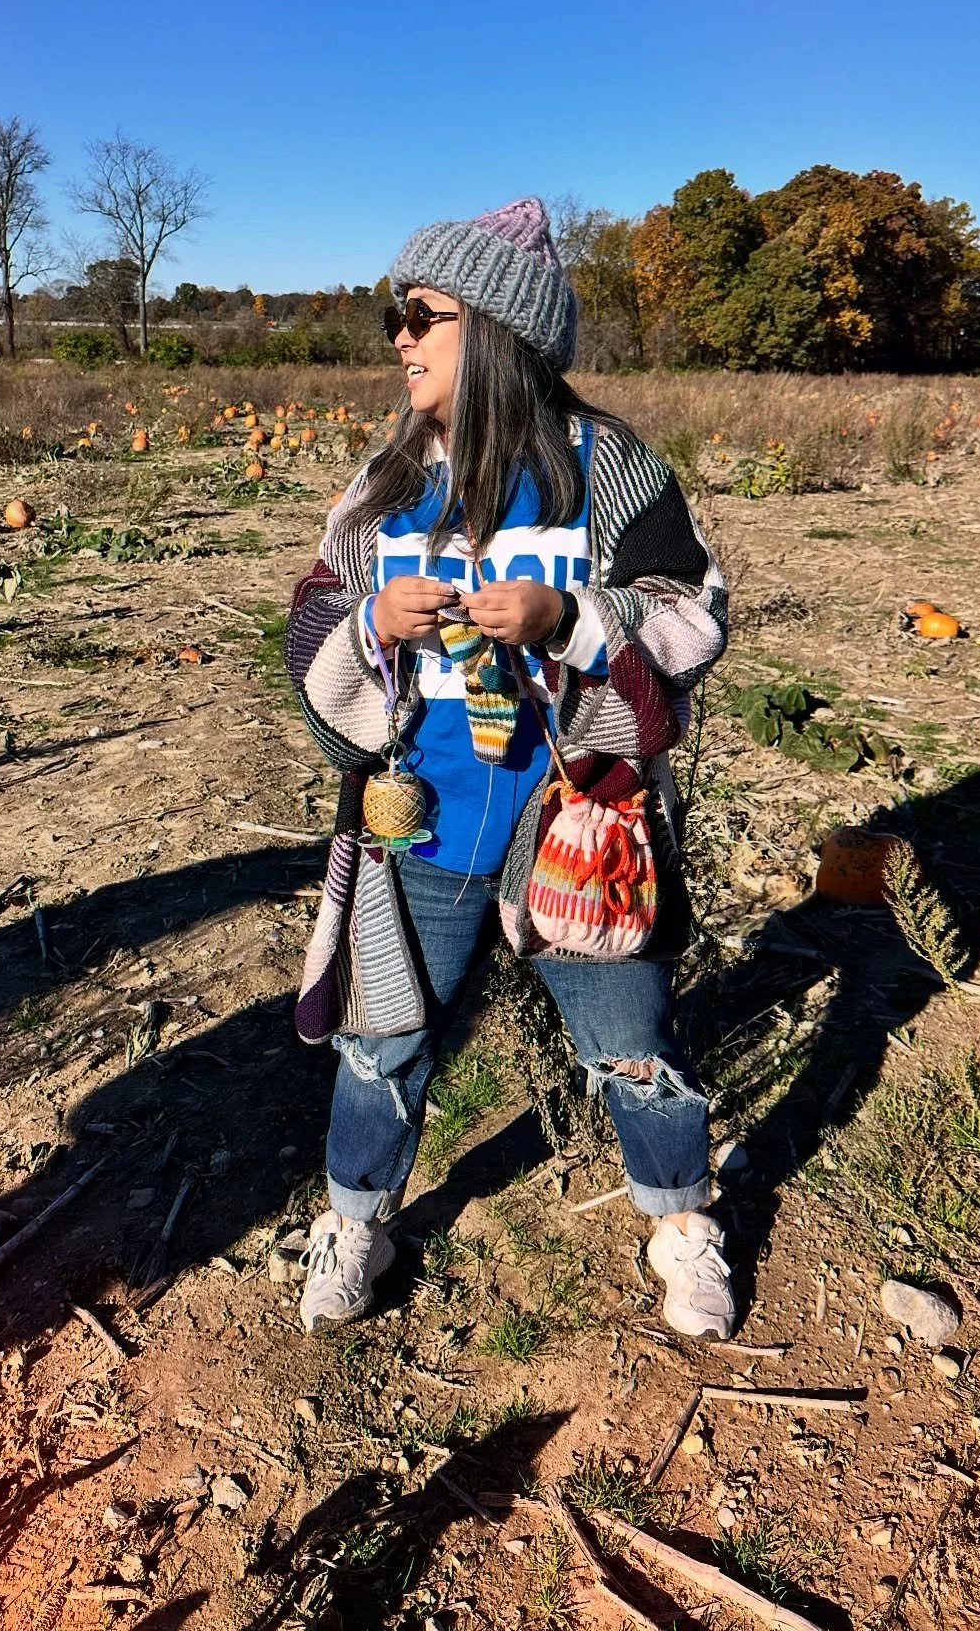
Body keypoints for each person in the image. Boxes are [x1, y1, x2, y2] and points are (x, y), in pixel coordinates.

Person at [283, 197, 734, 1340]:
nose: (397, 336)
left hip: (575, 826)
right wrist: (373, 624)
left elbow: (694, 616)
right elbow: (310, 623)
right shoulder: (388, 476)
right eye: (398, 315)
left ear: (493, 330)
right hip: (416, 825)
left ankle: (683, 1224)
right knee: (381, 1041)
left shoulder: (607, 467)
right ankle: (356, 1221)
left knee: (634, 1045)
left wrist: (570, 618)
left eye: (418, 315)